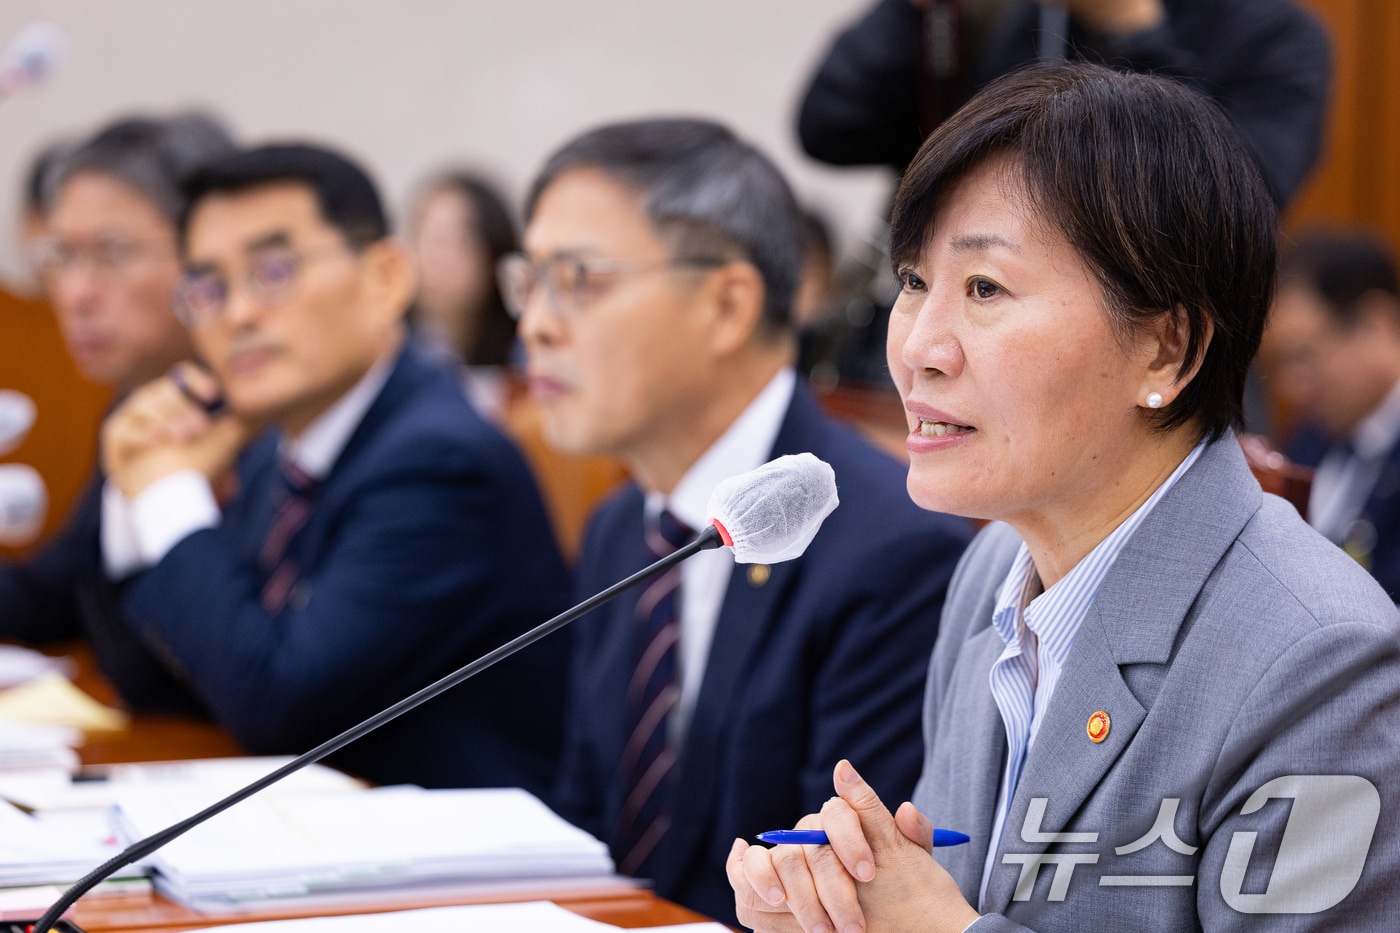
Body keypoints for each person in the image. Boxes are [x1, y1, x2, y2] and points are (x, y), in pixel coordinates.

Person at [729, 63, 1400, 932]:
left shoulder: (1319, 658)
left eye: (984, 289)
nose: (921, 349)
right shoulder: (991, 569)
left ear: (1165, 350)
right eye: (913, 282)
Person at [509, 118, 972, 924]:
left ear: (727, 304)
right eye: (529, 282)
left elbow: (835, 891)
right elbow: (587, 824)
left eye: (577, 279)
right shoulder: (623, 528)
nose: (535, 326)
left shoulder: (891, 548)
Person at [98, 143, 571, 791]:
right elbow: (157, 680)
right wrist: (139, 497)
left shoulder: (440, 460)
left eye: (274, 270)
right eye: (209, 286)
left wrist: (167, 492)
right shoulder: (272, 450)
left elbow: (278, 705)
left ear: (385, 279)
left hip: (469, 864)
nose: (237, 313)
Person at [1, 114, 236, 712]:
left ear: (206, 257)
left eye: (109, 252)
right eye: (60, 255)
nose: (75, 294)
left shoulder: (259, 418)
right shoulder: (140, 399)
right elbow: (48, 593)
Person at [1266, 229, 1400, 600]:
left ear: (1376, 322)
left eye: (1305, 356)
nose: (1290, 387)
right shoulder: (1306, 442)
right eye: (1279, 365)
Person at [408, 171, 520, 422]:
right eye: (423, 236)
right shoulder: (390, 350)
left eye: (453, 241)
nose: (433, 258)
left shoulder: (524, 355)